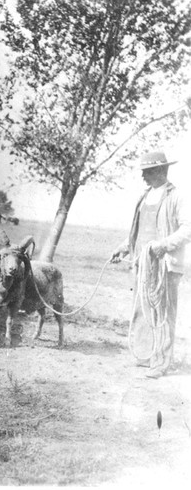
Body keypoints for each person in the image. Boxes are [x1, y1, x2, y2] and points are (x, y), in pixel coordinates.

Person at [111, 151, 191, 379]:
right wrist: (123, 247)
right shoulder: (144, 197)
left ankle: (161, 362)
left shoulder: (176, 197)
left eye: (147, 172)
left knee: (162, 313)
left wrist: (162, 246)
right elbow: (138, 232)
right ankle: (144, 356)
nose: (143, 177)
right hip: (141, 265)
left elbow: (188, 229)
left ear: (161, 171)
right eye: (143, 172)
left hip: (164, 266)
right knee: (142, 310)